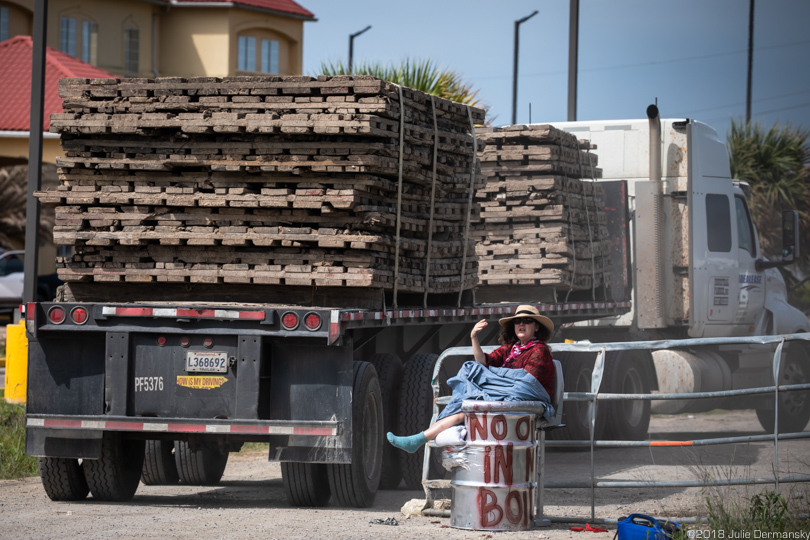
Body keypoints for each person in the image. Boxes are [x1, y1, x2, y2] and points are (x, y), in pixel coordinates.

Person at [387, 304, 555, 453]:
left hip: (525, 398)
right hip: (504, 394)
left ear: (537, 327)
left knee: (472, 398)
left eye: (527, 320)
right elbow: (482, 363)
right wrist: (474, 337)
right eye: (518, 321)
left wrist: (492, 377)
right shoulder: (511, 349)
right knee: (471, 371)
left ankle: (419, 439)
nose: (521, 324)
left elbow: (526, 383)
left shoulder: (540, 350)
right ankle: (419, 439)